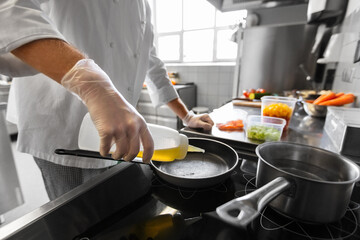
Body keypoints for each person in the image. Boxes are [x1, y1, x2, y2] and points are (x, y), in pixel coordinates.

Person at [0, 0, 214, 200]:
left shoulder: (143, 7)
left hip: (119, 132)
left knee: (118, 210)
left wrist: (187, 116)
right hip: (61, 124)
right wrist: (92, 85)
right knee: (76, 219)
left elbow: (154, 66)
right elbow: (9, 9)